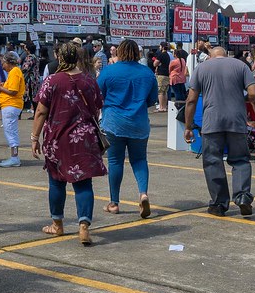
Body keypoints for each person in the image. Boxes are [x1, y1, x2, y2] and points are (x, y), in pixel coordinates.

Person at [32, 41, 106, 246]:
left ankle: (57, 225)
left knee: (56, 181)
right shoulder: (90, 81)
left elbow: (40, 111)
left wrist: (34, 137)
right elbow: (98, 108)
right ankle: (84, 227)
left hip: (57, 139)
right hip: (85, 139)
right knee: (84, 183)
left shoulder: (52, 81)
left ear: (61, 58)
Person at [183, 46, 255, 217]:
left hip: (212, 121)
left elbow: (191, 100)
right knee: (240, 160)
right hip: (237, 120)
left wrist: (188, 127)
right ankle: (242, 197)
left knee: (212, 161)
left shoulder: (201, 68)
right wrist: (243, 99)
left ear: (210, 56)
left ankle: (219, 204)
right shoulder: (241, 66)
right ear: (226, 54)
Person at [97, 40, 158, 218]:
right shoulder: (147, 73)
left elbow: (98, 95)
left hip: (114, 122)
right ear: (138, 53)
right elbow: (152, 100)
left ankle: (114, 203)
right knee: (139, 160)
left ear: (120, 52)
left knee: (115, 161)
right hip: (139, 122)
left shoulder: (109, 71)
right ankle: (143, 193)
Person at [0, 52, 26, 168]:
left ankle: (14, 158)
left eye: (3, 63)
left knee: (10, 131)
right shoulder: (14, 72)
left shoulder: (14, 72)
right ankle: (14, 157)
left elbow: (13, 91)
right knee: (10, 130)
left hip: (11, 104)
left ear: (8, 62)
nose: (2, 66)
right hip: (10, 105)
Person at [152, 42, 172, 113]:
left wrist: (157, 63)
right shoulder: (168, 55)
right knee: (165, 91)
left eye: (160, 46)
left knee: (160, 92)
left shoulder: (161, 54)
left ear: (162, 47)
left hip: (161, 75)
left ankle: (161, 107)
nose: (159, 48)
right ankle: (164, 107)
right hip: (167, 74)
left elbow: (155, 64)